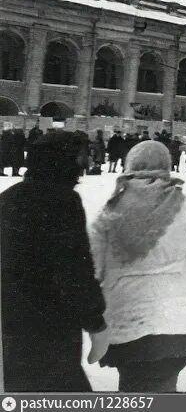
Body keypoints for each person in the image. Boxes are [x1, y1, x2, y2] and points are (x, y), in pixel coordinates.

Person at [88, 140, 186, 392]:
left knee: (134, 388)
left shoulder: (109, 212)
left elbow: (91, 268)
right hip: (178, 324)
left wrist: (97, 313)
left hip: (126, 321)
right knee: (161, 388)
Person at [1, 130, 108, 391]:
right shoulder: (63, 201)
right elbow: (74, 269)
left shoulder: (8, 197)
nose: (85, 167)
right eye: (82, 158)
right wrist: (96, 323)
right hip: (53, 324)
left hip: (13, 322)